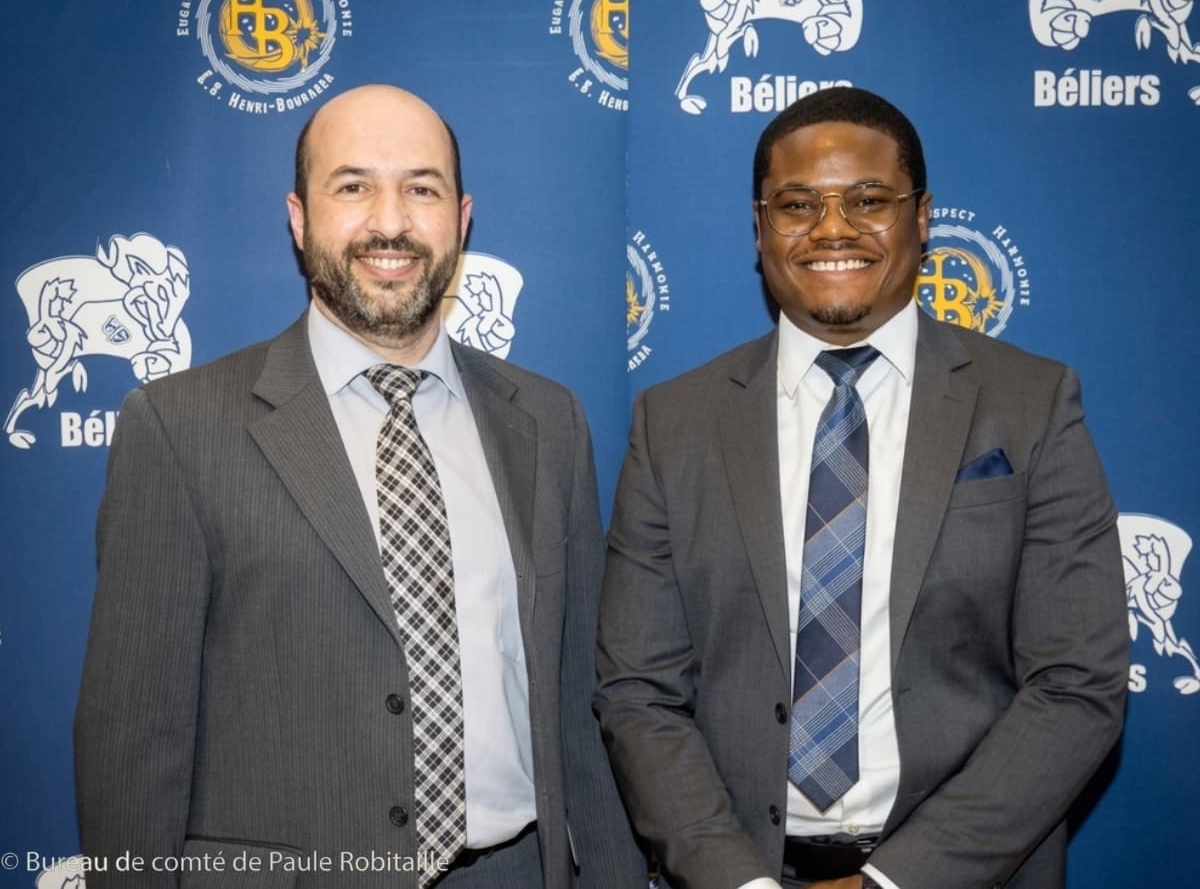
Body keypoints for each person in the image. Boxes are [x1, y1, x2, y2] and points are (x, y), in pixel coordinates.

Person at [75, 83, 643, 889]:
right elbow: (132, 739)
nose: (390, 221)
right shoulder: (179, 426)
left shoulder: (549, 423)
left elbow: (582, 707)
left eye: (422, 188)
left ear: (462, 217)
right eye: (353, 186)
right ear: (300, 219)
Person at [594, 86, 1128, 889]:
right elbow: (639, 691)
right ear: (760, 226)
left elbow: (1077, 681)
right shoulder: (674, 423)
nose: (832, 229)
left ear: (922, 217)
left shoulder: (1031, 405)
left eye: (869, 200)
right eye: (797, 204)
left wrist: (897, 882)